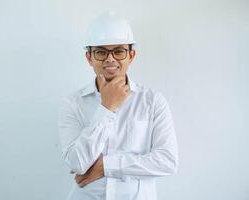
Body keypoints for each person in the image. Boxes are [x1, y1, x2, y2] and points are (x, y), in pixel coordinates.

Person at [58, 11, 178, 200]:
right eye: (100, 51)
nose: (110, 59)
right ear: (89, 57)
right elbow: (77, 163)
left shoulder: (153, 101)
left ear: (131, 55)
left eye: (119, 51)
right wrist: (107, 107)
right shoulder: (73, 103)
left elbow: (167, 161)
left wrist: (106, 166)